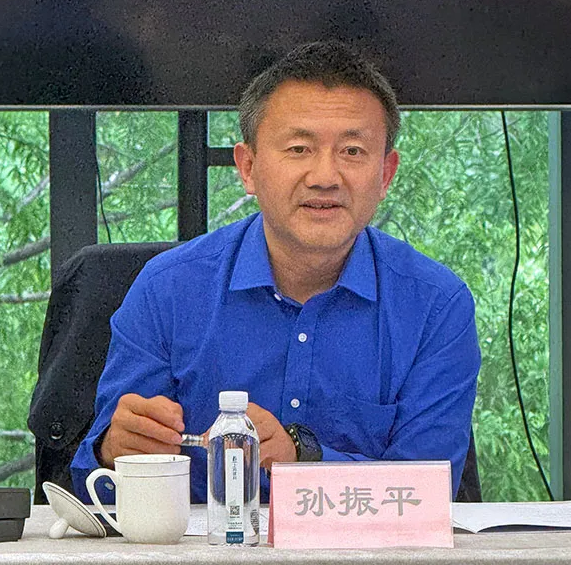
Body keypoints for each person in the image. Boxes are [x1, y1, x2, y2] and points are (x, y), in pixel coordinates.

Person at [71, 40, 481, 505]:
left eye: (352, 151)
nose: (325, 176)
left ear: (385, 174)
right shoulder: (166, 290)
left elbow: (427, 494)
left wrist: (304, 460)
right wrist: (114, 451)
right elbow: (98, 480)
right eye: (299, 148)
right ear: (247, 167)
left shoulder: (436, 306)